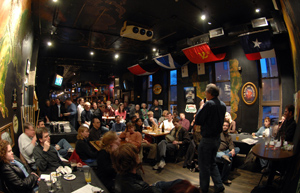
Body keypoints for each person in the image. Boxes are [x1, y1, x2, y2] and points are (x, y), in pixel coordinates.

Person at [194, 83, 226, 193]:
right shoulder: (223, 105)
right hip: (217, 139)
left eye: (206, 92)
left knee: (203, 165)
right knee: (212, 163)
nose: (205, 94)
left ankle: (204, 188)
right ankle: (219, 185)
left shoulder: (209, 104)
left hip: (207, 139)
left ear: (210, 93)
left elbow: (198, 120)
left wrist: (202, 106)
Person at [111, 143, 181, 193]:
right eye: (137, 154)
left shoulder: (119, 176)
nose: (139, 155)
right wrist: (149, 187)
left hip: (145, 186)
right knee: (180, 183)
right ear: (134, 159)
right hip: (149, 188)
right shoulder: (141, 188)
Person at [216, 120, 240, 185]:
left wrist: (232, 150)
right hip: (218, 152)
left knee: (237, 149)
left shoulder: (229, 136)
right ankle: (224, 179)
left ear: (228, 127)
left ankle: (227, 156)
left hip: (225, 152)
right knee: (229, 160)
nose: (225, 127)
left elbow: (231, 144)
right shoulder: (218, 134)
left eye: (226, 126)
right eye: (224, 125)